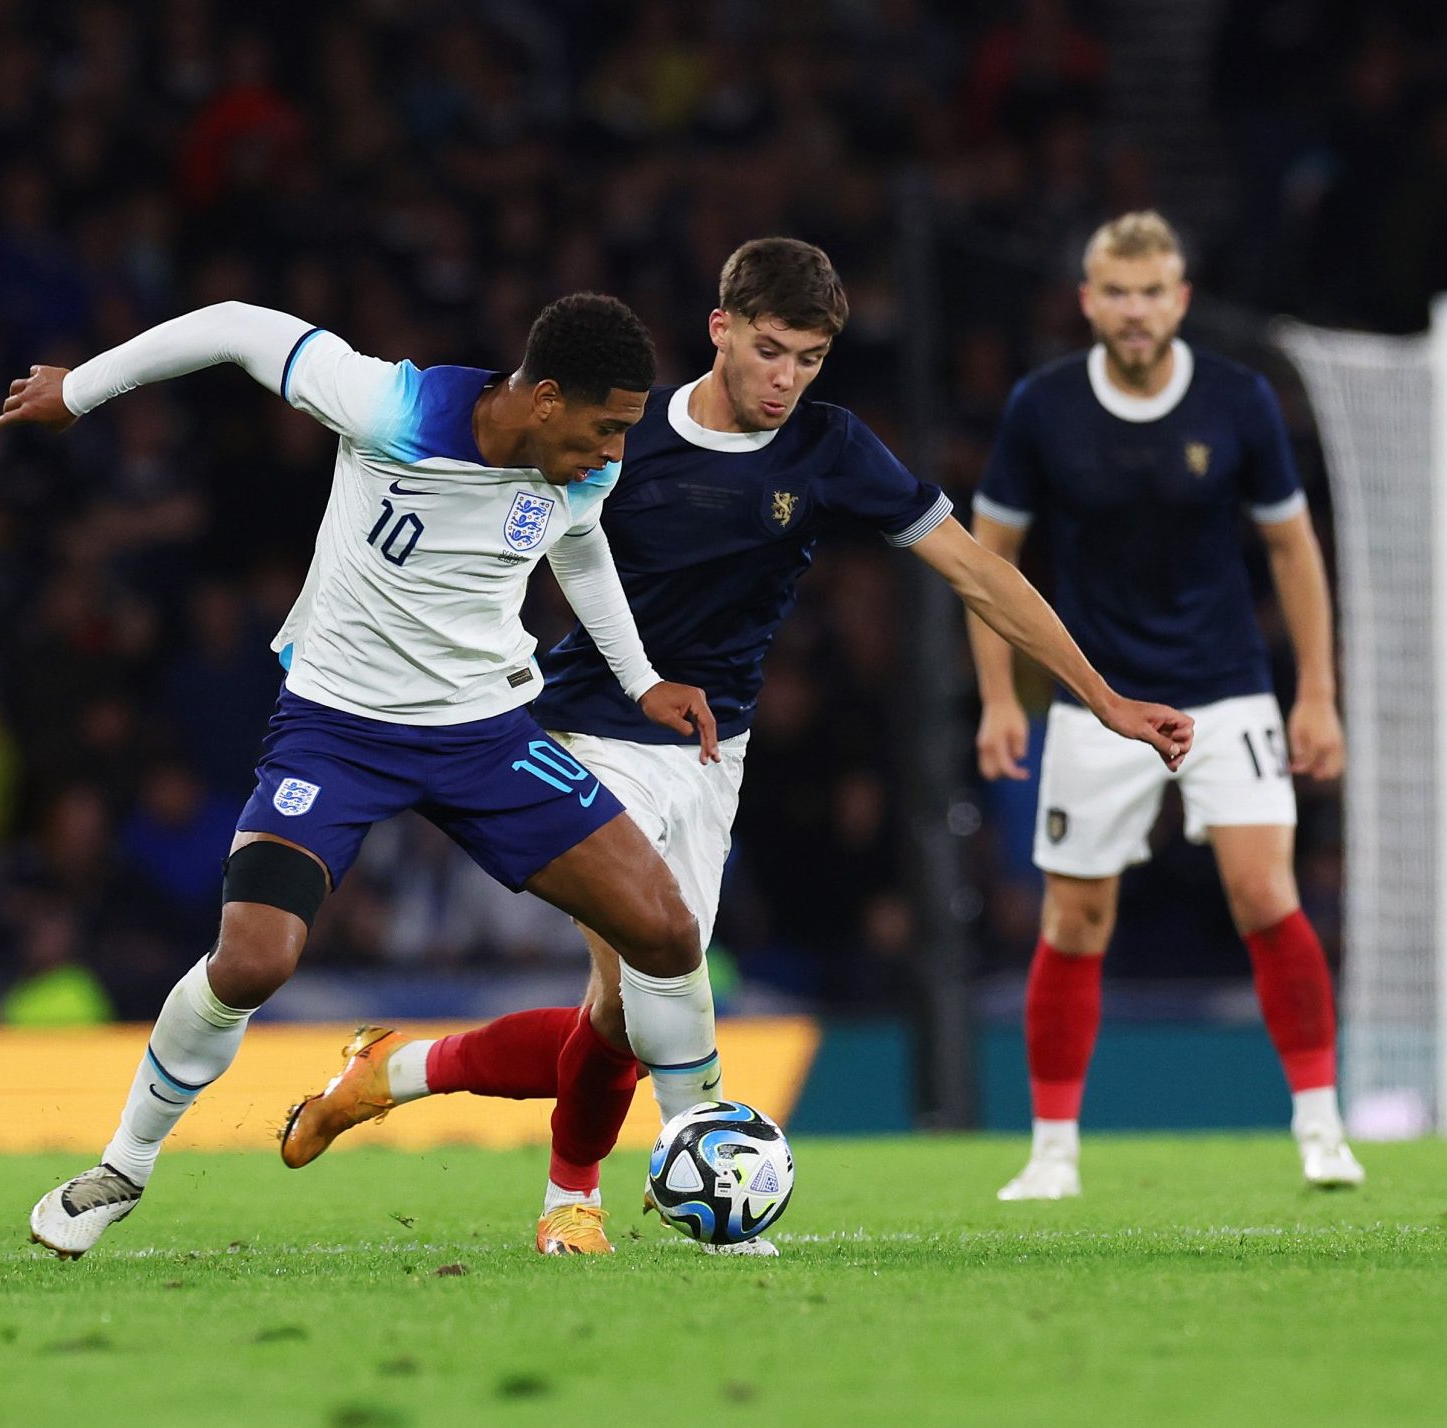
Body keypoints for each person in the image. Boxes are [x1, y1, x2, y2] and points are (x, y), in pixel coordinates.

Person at [275, 238, 1194, 1254]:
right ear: (720, 329)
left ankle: (391, 1076)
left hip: (715, 752)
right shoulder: (619, 434)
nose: (784, 379)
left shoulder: (830, 450)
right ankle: (597, 1202)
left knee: (622, 1019)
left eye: (807, 359)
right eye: (768, 351)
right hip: (585, 725)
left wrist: (1101, 697)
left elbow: (976, 573)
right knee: (655, 962)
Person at [0, 294, 726, 1258]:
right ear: (544, 398)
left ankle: (703, 1167)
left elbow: (578, 545)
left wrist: (639, 682)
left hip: (486, 734)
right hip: (337, 732)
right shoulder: (393, 407)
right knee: (253, 960)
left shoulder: (575, 471)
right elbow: (231, 325)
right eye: (605, 427)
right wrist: (80, 390)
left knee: (667, 933)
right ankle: (120, 1168)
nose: (614, 452)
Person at [970, 211, 1358, 1198]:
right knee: (1073, 920)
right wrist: (995, 699)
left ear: (1178, 299)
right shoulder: (1041, 407)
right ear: (1088, 301)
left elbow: (1290, 547)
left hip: (1226, 689)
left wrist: (1313, 693)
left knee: (1264, 894)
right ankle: (1051, 1151)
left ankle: (1320, 1127)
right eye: (1117, 292)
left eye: (1152, 292)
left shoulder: (1236, 400)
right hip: (1096, 698)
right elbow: (986, 562)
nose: (1134, 310)